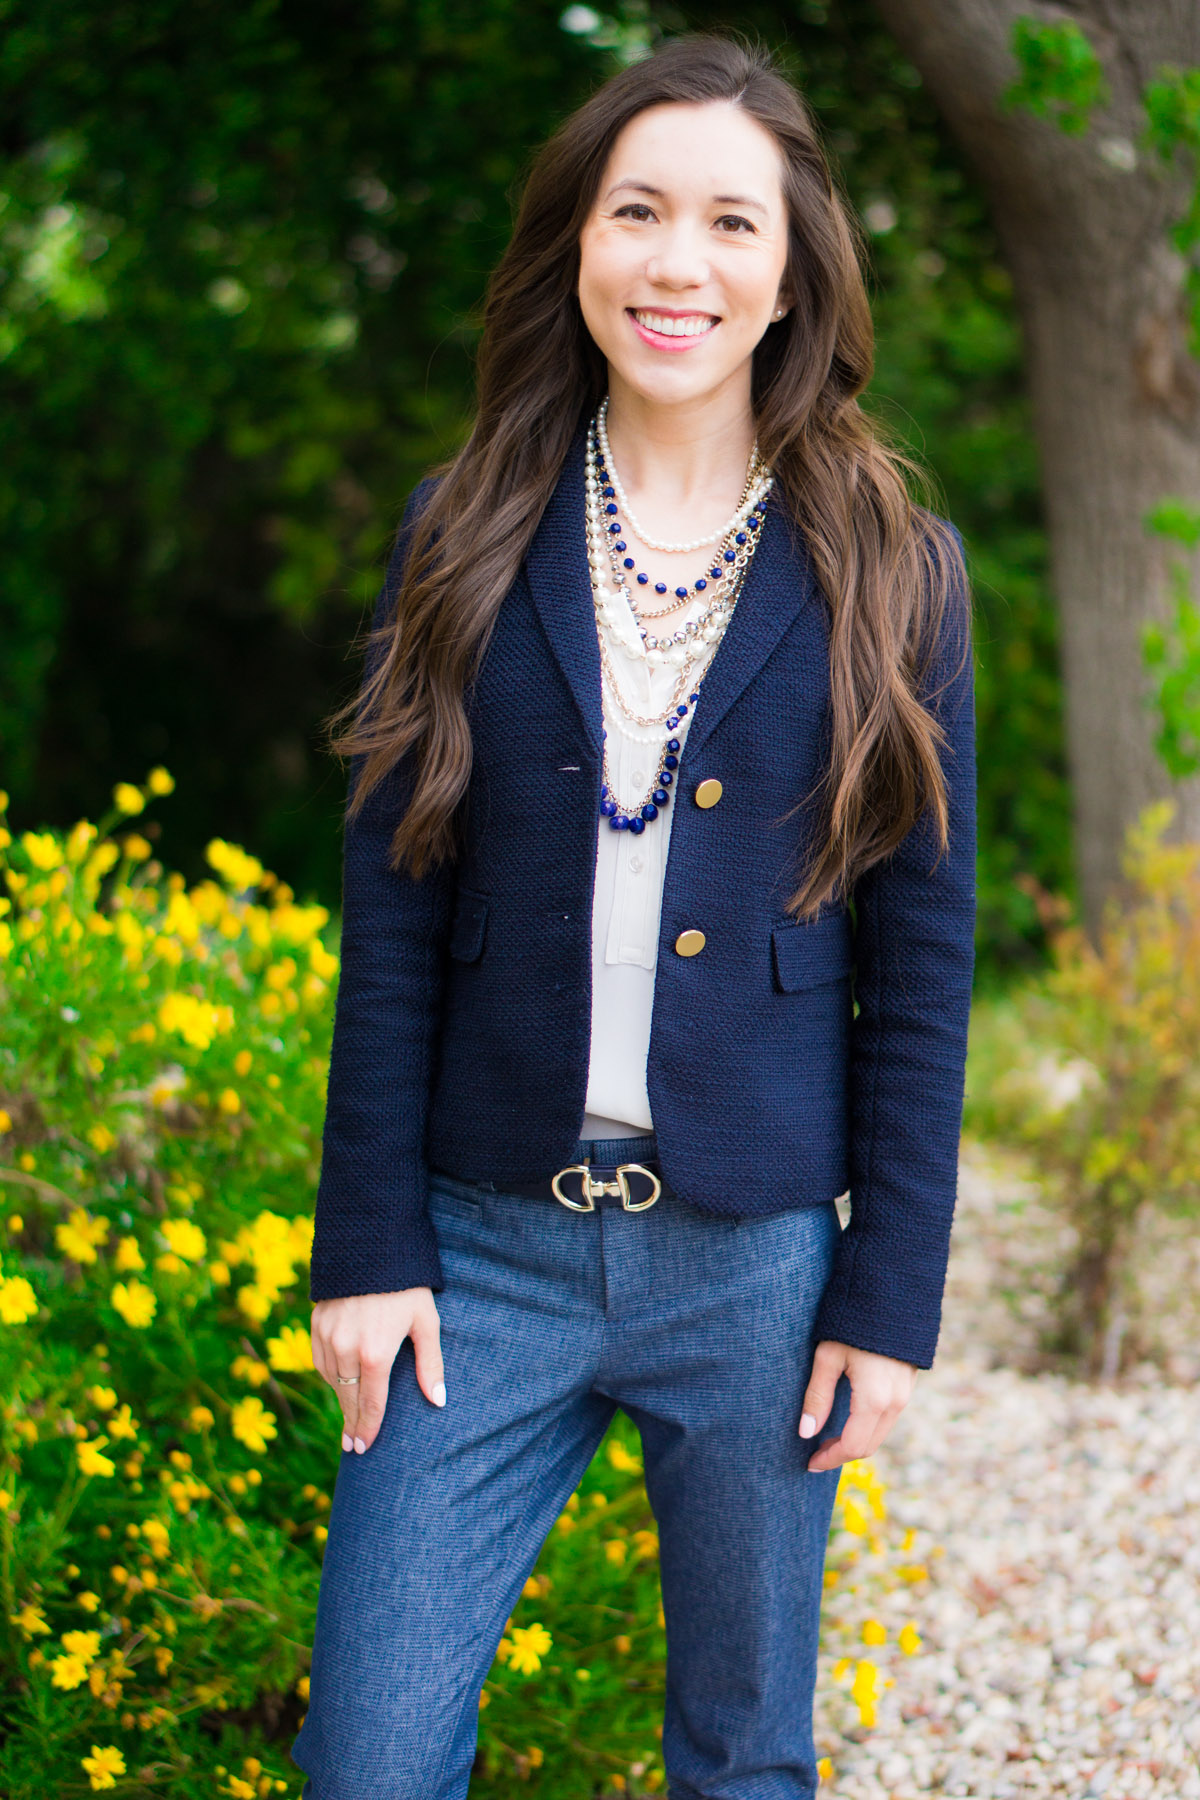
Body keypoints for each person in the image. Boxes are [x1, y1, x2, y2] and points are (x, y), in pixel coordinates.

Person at [291, 31, 976, 1800]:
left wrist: (888, 1295)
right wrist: (364, 1245)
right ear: (578, 247)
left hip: (756, 1268)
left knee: (743, 1758)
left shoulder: (892, 569)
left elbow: (921, 964)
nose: (681, 263)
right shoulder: (462, 532)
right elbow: (391, 910)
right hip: (480, 1252)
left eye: (732, 224)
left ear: (792, 269)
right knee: (369, 1757)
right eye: (640, 213)